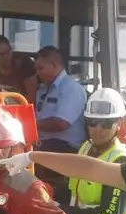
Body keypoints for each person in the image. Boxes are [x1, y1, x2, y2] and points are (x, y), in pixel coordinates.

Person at [32, 46, 87, 204]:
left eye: (41, 68)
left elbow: (61, 123)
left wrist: (31, 124)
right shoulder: (42, 90)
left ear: (55, 65)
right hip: (44, 144)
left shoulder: (72, 89)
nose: (38, 73)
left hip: (66, 147)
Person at [0, 35, 37, 101]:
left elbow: (32, 98)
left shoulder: (24, 64)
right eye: (1, 55)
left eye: (8, 52)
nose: (6, 57)